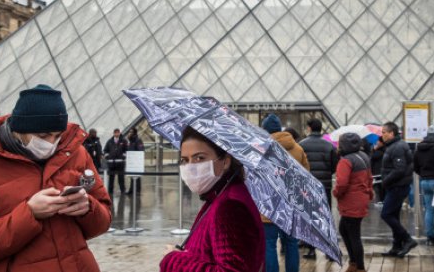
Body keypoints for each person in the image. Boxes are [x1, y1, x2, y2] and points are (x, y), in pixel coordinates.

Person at [0, 84, 112, 271]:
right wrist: (29, 214)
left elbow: (104, 221)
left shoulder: (76, 153)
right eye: (43, 135)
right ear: (19, 129)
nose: (51, 143)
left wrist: (88, 208)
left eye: (58, 135)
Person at [160, 126, 263, 272]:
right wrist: (185, 255)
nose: (191, 167)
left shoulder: (230, 206)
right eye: (185, 160)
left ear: (225, 162)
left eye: (199, 158)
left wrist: (174, 260)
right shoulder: (219, 196)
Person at [261, 114, 309, 272]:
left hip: (269, 205)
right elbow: (306, 176)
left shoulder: (262, 148)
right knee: (291, 243)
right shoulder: (298, 149)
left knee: (269, 244)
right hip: (292, 206)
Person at [333, 133, 373, 272]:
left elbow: (342, 183)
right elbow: (369, 178)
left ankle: (359, 266)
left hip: (351, 202)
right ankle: (354, 262)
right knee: (344, 229)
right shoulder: (364, 156)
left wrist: (336, 193)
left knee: (353, 234)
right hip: (361, 199)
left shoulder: (345, 161)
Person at [299, 118, 337, 259]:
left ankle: (311, 250)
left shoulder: (302, 145)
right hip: (325, 185)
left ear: (309, 128)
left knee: (310, 217)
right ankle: (330, 251)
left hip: (308, 186)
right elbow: (334, 166)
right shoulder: (329, 146)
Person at [379, 121, 417, 258]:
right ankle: (396, 246)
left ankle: (407, 239)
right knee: (394, 215)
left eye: (384, 132)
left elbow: (399, 169)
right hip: (397, 185)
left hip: (397, 186)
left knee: (386, 214)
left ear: (391, 133)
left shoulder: (397, 147)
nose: (382, 135)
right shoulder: (394, 146)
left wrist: (385, 181)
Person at [413, 125, 434, 246]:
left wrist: (423, 174)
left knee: (429, 210)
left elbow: (415, 167)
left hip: (424, 181)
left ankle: (430, 238)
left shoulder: (419, 148)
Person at [104, 128, 128, 196]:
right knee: (111, 178)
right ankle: (110, 191)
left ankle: (122, 190)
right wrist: (107, 156)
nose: (116, 134)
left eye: (118, 132)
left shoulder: (123, 141)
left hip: (120, 163)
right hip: (111, 163)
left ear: (119, 133)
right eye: (115, 132)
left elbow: (126, 150)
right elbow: (105, 150)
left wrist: (123, 156)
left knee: (121, 178)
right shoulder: (110, 141)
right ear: (113, 133)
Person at [126, 127, 145, 194]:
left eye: (131, 132)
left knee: (137, 177)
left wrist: (136, 158)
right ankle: (131, 189)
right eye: (129, 132)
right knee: (132, 176)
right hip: (131, 161)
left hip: (136, 161)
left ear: (134, 133)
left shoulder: (138, 140)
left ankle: (137, 190)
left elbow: (141, 150)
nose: (129, 133)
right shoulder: (131, 141)